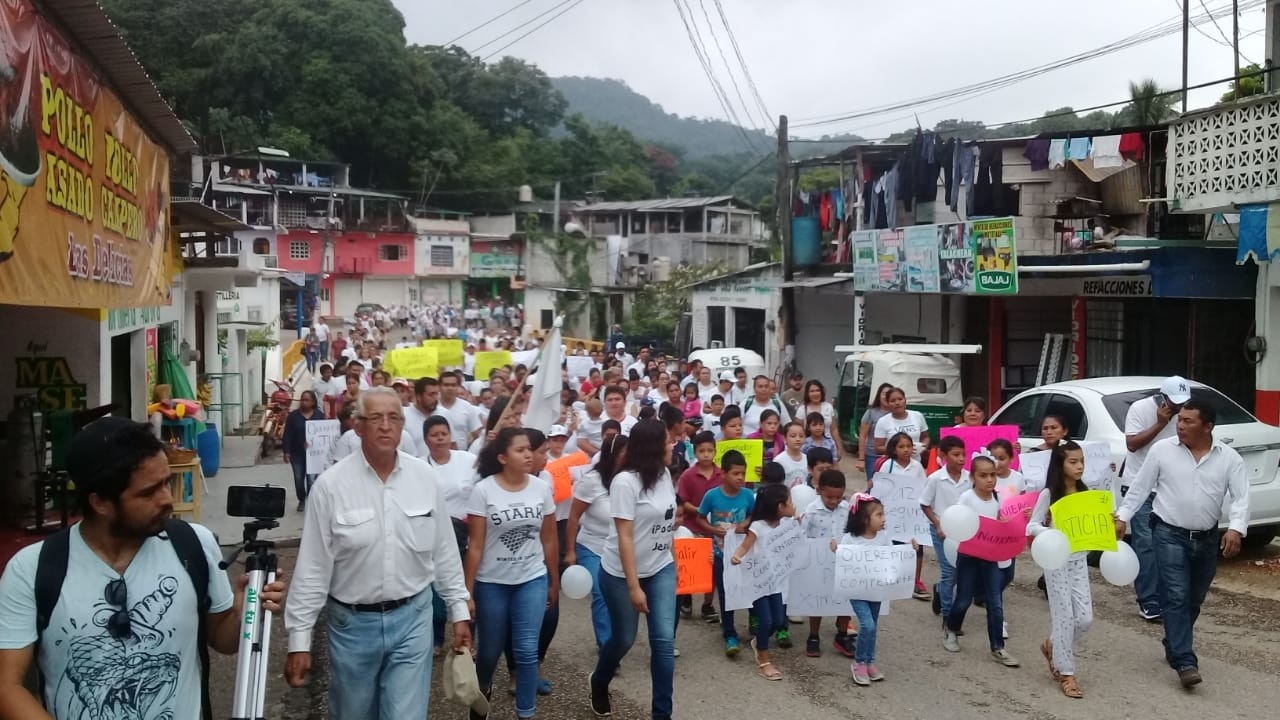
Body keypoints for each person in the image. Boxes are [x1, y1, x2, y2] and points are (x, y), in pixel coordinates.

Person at [0, 417, 286, 720]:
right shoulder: (32, 569)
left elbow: (223, 641)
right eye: (149, 492)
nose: (168, 500)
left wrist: (245, 612)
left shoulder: (193, 545)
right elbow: (8, 686)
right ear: (101, 503)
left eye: (166, 482)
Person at [285, 387, 472, 720]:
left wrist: (458, 607)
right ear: (358, 426)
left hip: (413, 619)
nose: (386, 426)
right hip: (353, 626)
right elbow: (313, 567)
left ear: (403, 426)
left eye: (394, 418)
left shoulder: (424, 478)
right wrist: (299, 639)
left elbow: (443, 549)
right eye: (376, 418)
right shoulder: (330, 487)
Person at [1113, 400, 1249, 688]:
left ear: (1208, 426)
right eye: (1180, 419)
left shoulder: (1229, 458)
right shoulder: (1163, 451)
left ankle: (1174, 641)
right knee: (1176, 595)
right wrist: (1123, 515)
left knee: (1194, 598)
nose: (1180, 425)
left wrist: (1236, 529)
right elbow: (1140, 486)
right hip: (1168, 533)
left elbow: (1241, 497)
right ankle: (1186, 660)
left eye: (1189, 421)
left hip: (1207, 538)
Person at [588, 420, 679, 720]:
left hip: (661, 569)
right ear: (654, 446)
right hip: (620, 574)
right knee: (624, 638)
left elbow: (665, 522)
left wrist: (674, 559)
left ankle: (661, 714)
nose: (673, 446)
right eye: (668, 441)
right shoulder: (624, 482)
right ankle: (600, 681)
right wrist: (633, 586)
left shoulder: (665, 474)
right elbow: (624, 535)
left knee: (664, 642)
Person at [465, 428, 558, 719]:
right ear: (503, 457)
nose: (529, 454)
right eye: (520, 450)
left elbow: (550, 539)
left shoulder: (541, 488)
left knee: (527, 651)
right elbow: (476, 546)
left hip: (531, 579)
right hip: (492, 583)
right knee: (489, 653)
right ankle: (481, 695)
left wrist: (553, 581)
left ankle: (526, 712)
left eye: (530, 449)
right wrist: (466, 593)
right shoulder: (483, 491)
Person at [1028, 441, 1092, 698]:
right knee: (1064, 615)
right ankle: (1066, 673)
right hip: (1056, 561)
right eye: (1073, 462)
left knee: (1085, 618)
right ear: (1060, 464)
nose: (1079, 466)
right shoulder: (1049, 494)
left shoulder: (1086, 493)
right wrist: (1052, 533)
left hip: (1079, 561)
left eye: (1081, 461)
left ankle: (1053, 644)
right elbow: (1031, 525)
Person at [1121, 376, 1189, 622]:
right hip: (1139, 486)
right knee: (1146, 544)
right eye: (1174, 402)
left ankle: (1167, 596)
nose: (1178, 408)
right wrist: (1160, 423)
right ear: (1161, 397)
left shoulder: (1185, 415)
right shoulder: (1140, 409)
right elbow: (1132, 444)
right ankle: (1148, 600)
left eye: (1182, 404)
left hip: (1169, 488)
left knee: (1169, 544)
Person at [942, 454, 1019, 668]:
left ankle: (998, 647)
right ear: (973, 477)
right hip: (968, 556)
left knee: (995, 602)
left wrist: (1011, 520)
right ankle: (951, 628)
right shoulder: (967, 498)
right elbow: (957, 520)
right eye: (983, 475)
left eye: (993, 475)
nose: (989, 480)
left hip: (991, 557)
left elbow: (1006, 521)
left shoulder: (998, 498)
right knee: (964, 598)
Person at [422, 415, 479, 655]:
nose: (440, 439)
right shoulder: (420, 468)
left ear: (450, 436)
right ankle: (436, 638)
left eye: (443, 434)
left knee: (467, 588)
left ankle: (469, 638)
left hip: (467, 535)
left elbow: (483, 486)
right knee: (436, 594)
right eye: (434, 435)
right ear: (426, 439)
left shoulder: (469, 461)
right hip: (435, 536)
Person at [566, 434, 628, 651]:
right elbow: (573, 517)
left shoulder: (631, 480)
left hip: (620, 549)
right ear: (612, 454)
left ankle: (618, 638)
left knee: (620, 597)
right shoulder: (591, 481)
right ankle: (607, 645)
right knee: (601, 593)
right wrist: (571, 551)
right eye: (623, 452)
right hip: (592, 546)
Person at [729, 483, 795, 681]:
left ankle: (760, 641)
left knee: (778, 620)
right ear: (780, 507)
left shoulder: (785, 525)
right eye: (790, 501)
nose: (794, 505)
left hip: (775, 581)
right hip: (758, 581)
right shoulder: (758, 527)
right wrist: (737, 556)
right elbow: (745, 545)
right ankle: (764, 660)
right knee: (765, 620)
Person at [837, 493, 904, 685]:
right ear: (865, 519)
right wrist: (837, 550)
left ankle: (869, 661)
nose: (884, 519)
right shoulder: (851, 539)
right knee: (868, 625)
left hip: (876, 590)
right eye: (879, 515)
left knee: (873, 626)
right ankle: (858, 663)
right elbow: (843, 560)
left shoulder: (883, 537)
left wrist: (911, 549)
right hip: (858, 591)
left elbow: (892, 557)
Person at [696, 449, 755, 657]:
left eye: (743, 473)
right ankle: (729, 633)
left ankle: (754, 619)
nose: (741, 478)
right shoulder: (712, 496)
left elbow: (754, 516)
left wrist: (744, 524)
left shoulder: (748, 495)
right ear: (724, 473)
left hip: (743, 554)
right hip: (720, 555)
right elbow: (700, 518)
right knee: (725, 593)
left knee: (749, 586)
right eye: (736, 474)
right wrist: (713, 530)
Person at [801, 469, 854, 658]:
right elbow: (802, 535)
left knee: (846, 598)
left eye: (838, 497)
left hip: (843, 561)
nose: (833, 501)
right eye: (829, 496)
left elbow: (852, 532)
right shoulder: (811, 511)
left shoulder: (847, 509)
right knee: (818, 599)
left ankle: (842, 635)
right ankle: (813, 636)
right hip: (818, 563)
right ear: (819, 490)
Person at [875, 433, 931, 601]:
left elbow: (924, 488)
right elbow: (880, 488)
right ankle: (890, 575)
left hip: (912, 514)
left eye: (908, 446)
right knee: (891, 544)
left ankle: (915, 579)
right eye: (901, 446)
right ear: (893, 449)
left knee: (916, 546)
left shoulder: (917, 467)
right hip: (892, 514)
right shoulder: (887, 466)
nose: (906, 450)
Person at [921, 435, 972, 621]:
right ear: (943, 455)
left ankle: (940, 590)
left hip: (963, 531)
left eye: (963, 454)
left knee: (960, 572)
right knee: (949, 572)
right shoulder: (935, 479)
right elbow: (924, 504)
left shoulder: (969, 479)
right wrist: (937, 524)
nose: (961, 459)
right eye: (956, 454)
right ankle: (948, 615)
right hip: (941, 532)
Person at [676, 431, 723, 623]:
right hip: (692, 526)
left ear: (715, 451)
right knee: (690, 566)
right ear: (695, 452)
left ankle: (707, 604)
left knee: (711, 569)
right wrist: (701, 511)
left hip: (713, 529)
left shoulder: (721, 474)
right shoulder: (688, 475)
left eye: (709, 450)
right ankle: (686, 598)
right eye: (701, 451)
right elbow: (683, 502)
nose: (706, 454)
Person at [282, 390, 325, 511]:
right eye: (302, 399)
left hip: (314, 455)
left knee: (312, 480)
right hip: (297, 454)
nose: (303, 402)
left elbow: (324, 434)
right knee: (298, 478)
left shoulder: (319, 416)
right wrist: (286, 452)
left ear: (313, 402)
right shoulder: (293, 416)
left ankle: (311, 501)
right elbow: (287, 435)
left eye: (307, 400)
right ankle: (301, 499)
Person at [873, 387, 930, 461]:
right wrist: (899, 450)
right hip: (892, 465)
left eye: (900, 399)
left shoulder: (917, 416)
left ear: (905, 400)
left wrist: (924, 446)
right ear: (888, 403)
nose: (897, 403)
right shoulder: (883, 421)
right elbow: (878, 448)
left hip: (915, 464)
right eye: (892, 401)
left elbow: (926, 437)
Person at [798, 380, 843, 462]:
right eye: (812, 391)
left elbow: (834, 429)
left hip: (827, 445)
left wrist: (839, 447)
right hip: (809, 447)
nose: (815, 393)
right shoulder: (802, 409)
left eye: (817, 390)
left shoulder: (828, 407)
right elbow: (797, 430)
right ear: (807, 393)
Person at [857, 383, 894, 480]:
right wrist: (861, 458)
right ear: (879, 395)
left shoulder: (897, 414)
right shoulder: (871, 413)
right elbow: (862, 436)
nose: (886, 396)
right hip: (873, 456)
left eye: (889, 394)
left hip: (893, 457)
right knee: (874, 486)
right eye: (884, 393)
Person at [438, 371, 483, 450]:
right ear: (439, 387)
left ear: (458, 386)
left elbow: (477, 434)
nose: (450, 388)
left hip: (462, 455)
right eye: (446, 385)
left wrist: (470, 449)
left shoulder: (467, 407)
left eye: (453, 385)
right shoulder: (432, 406)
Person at [775, 422, 810, 488]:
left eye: (801, 436)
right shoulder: (779, 460)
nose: (798, 439)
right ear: (785, 439)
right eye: (793, 436)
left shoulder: (808, 459)